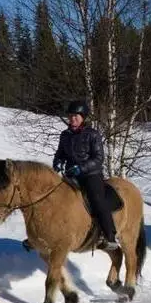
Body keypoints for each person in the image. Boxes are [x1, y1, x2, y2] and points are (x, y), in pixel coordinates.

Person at [52, 100, 119, 250]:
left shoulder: (92, 134)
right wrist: (57, 162)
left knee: (96, 199)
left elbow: (98, 159)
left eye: (76, 116)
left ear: (83, 117)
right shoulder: (65, 135)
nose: (72, 119)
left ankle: (110, 236)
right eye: (70, 116)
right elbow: (60, 153)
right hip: (71, 174)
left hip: (91, 175)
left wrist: (81, 168)